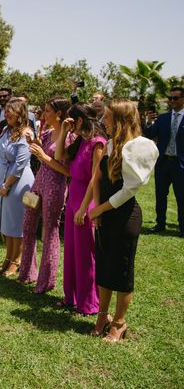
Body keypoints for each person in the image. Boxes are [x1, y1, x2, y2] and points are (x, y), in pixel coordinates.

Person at [88, 101, 158, 341]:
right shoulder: (109, 144)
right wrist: (96, 209)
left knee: (122, 271)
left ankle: (119, 323)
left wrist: (101, 210)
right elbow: (97, 177)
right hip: (105, 214)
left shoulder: (138, 147)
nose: (103, 122)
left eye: (107, 118)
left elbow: (128, 190)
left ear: (118, 121)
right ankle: (102, 315)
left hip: (124, 216)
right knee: (104, 266)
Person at [54, 103, 106, 315]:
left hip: (86, 199)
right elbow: (59, 156)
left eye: (71, 120)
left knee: (86, 254)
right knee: (73, 252)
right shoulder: (80, 141)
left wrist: (84, 208)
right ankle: (71, 296)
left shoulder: (97, 143)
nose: (69, 123)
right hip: (73, 196)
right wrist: (65, 131)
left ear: (81, 121)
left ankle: (88, 303)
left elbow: (95, 178)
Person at [18, 97, 71, 293]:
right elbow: (42, 150)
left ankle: (46, 282)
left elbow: (68, 171)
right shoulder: (48, 133)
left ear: (58, 114)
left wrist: (42, 156)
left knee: (50, 232)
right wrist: (33, 142)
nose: (44, 113)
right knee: (28, 225)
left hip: (55, 187)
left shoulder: (69, 138)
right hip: (38, 182)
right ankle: (27, 272)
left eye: (48, 110)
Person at [0, 98, 35, 277]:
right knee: (6, 222)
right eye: (6, 110)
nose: (6, 113)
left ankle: (17, 261)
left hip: (18, 182)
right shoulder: (5, 131)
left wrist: (7, 185)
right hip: (2, 180)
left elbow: (20, 164)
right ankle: (8, 257)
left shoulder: (25, 133)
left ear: (20, 113)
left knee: (17, 223)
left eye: (11, 110)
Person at [144, 87, 184, 236]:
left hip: (180, 165)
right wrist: (148, 123)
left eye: (176, 98)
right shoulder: (163, 118)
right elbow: (149, 134)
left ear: (183, 99)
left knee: (181, 197)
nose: (172, 101)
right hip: (163, 163)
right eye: (170, 98)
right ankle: (160, 224)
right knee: (160, 196)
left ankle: (182, 227)